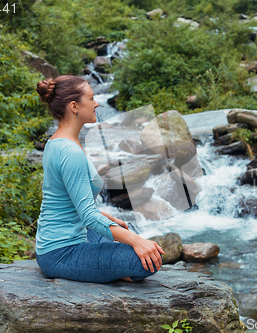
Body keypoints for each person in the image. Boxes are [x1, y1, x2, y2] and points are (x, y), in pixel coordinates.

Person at [34, 75, 164, 283]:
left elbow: (69, 199)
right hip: (61, 253)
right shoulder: (70, 151)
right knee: (146, 262)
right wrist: (138, 241)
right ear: (74, 106)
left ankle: (106, 265)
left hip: (64, 239)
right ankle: (108, 269)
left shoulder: (57, 142)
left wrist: (108, 218)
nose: (97, 103)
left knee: (124, 234)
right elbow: (87, 215)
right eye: (91, 98)